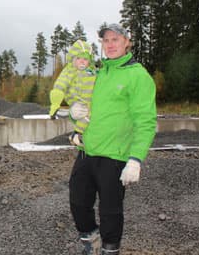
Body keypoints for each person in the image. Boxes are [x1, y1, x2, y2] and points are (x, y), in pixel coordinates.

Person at [69, 23, 157, 255]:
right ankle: (91, 242)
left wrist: (136, 159)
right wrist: (74, 112)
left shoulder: (138, 76)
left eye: (115, 40)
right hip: (88, 151)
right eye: (106, 41)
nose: (110, 45)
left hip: (115, 157)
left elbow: (146, 121)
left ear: (127, 42)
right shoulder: (99, 72)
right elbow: (83, 101)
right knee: (78, 203)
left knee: (110, 212)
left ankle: (110, 250)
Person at [49, 39, 96, 145]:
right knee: (80, 112)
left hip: (91, 103)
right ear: (73, 59)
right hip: (77, 102)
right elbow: (59, 86)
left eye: (85, 59)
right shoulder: (69, 72)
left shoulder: (92, 72)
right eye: (79, 58)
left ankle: (77, 134)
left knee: (90, 115)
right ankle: (65, 115)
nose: (82, 61)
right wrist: (55, 104)